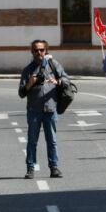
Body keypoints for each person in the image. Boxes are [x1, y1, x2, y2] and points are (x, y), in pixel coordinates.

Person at [18, 40, 67, 179]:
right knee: (32, 140)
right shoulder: (28, 70)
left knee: (52, 140)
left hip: (51, 109)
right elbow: (21, 93)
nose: (39, 53)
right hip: (34, 110)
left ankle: (54, 168)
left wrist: (58, 82)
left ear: (46, 51)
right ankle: (30, 168)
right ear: (32, 52)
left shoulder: (53, 65)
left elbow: (66, 79)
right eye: (36, 50)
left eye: (41, 50)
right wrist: (30, 83)